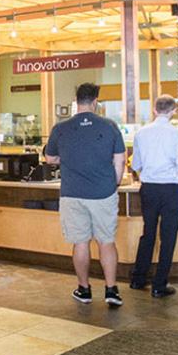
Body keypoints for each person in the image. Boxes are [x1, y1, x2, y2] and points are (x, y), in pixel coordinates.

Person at [45, 82, 126, 307]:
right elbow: (119, 160)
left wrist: (68, 159)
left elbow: (50, 159)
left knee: (80, 243)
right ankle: (111, 290)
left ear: (76, 101)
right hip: (103, 193)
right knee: (106, 242)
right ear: (95, 102)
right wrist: (114, 183)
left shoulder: (60, 128)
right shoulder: (109, 126)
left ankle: (84, 289)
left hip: (72, 194)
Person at [130, 96, 178, 298]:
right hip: (171, 190)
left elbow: (135, 165)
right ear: (173, 111)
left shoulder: (141, 133)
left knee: (148, 233)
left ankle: (138, 279)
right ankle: (159, 285)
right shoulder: (177, 134)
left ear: (154, 110)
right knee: (168, 237)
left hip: (148, 188)